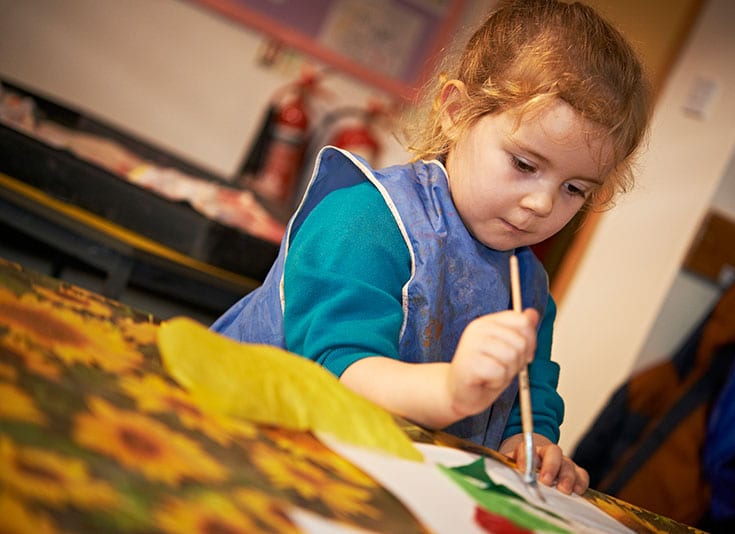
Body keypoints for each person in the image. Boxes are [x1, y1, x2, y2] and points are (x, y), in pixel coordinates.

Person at [211, 0, 651, 496]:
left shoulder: (527, 286)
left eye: (575, 189)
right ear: (455, 113)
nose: (542, 203)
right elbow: (339, 371)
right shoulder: (363, 221)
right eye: (525, 165)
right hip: (240, 444)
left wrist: (530, 441)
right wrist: (450, 391)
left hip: (362, 481)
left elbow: (530, 389)